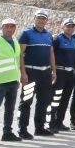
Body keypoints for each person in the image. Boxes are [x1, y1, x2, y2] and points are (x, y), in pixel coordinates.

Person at [0, 18, 24, 145]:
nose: (9, 29)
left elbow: (18, 59)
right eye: (6, 26)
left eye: (12, 26)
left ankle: (7, 133)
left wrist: (21, 76)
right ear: (2, 28)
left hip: (13, 82)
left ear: (14, 28)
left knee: (10, 109)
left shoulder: (15, 42)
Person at [17, 9, 56, 138]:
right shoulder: (26, 34)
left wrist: (53, 71)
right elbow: (20, 54)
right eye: (39, 17)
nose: (41, 20)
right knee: (26, 101)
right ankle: (22, 129)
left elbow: (51, 53)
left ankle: (39, 128)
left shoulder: (48, 35)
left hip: (45, 73)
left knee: (43, 101)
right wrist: (23, 73)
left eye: (44, 18)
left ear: (46, 21)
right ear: (34, 18)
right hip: (31, 72)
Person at [49, 18, 75, 133]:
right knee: (55, 98)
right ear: (63, 27)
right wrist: (53, 70)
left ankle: (59, 121)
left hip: (70, 73)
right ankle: (51, 123)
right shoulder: (57, 39)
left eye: (72, 26)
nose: (70, 28)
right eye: (68, 26)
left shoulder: (74, 40)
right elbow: (50, 54)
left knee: (65, 99)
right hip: (59, 72)